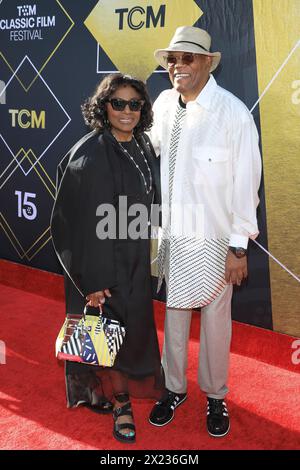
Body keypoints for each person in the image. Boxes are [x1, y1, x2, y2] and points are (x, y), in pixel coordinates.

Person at [148, 26, 262, 437]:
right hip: (175, 235)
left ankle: (216, 396)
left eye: (187, 58)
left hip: (216, 238)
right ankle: (173, 388)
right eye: (172, 60)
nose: (178, 66)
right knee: (174, 315)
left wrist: (238, 247)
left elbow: (247, 181)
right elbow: (148, 146)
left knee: (216, 320)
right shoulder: (163, 104)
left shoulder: (232, 113)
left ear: (207, 63)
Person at [51, 73, 165, 444]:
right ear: (104, 107)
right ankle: (121, 405)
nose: (127, 111)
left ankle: (119, 391)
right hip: (105, 262)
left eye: (135, 104)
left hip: (133, 257)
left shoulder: (143, 145)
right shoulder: (94, 151)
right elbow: (81, 221)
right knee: (110, 333)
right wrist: (94, 281)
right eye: (119, 103)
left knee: (128, 334)